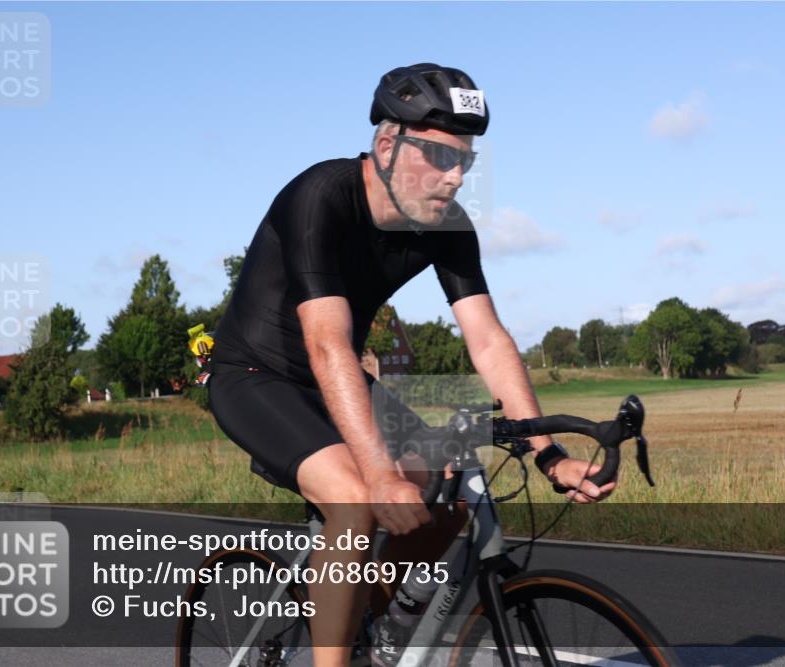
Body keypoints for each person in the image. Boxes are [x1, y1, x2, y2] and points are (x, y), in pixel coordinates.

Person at [208, 63, 617, 667]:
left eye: (465, 162)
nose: (453, 178)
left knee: (449, 489)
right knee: (354, 498)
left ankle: (384, 619)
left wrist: (547, 453)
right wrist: (377, 475)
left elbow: (488, 340)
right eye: (437, 156)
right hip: (255, 376)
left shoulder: (445, 226)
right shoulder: (320, 196)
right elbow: (327, 344)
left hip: (339, 381)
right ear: (386, 144)